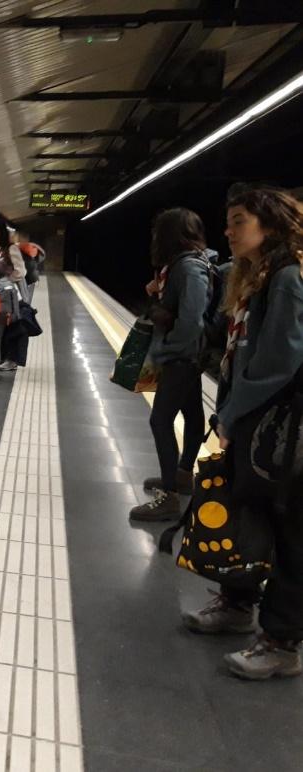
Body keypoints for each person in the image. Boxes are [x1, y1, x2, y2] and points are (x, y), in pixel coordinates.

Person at [182, 186, 303, 681]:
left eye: (238, 223)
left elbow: (279, 362)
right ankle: (237, 602)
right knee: (247, 510)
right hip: (260, 420)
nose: (228, 233)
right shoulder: (260, 277)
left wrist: (231, 418)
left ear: (270, 226)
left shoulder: (289, 278)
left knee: (290, 527)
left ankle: (283, 641)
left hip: (284, 429)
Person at [130, 208, 215, 521]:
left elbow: (191, 319)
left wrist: (168, 348)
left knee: (160, 420)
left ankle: (169, 498)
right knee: (193, 413)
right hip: (190, 355)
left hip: (183, 356)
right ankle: (182, 475)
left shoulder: (188, 268)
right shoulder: (187, 264)